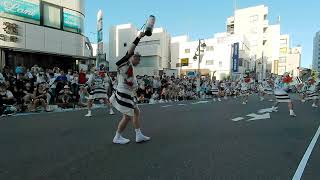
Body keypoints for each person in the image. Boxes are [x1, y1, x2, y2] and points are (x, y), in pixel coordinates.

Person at [110, 31, 151, 144]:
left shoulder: (130, 67)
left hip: (127, 93)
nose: (138, 60)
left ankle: (138, 135)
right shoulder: (125, 63)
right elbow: (130, 49)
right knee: (127, 116)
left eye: (139, 58)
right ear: (131, 57)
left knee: (136, 112)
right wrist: (138, 37)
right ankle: (117, 137)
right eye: (136, 58)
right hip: (123, 93)